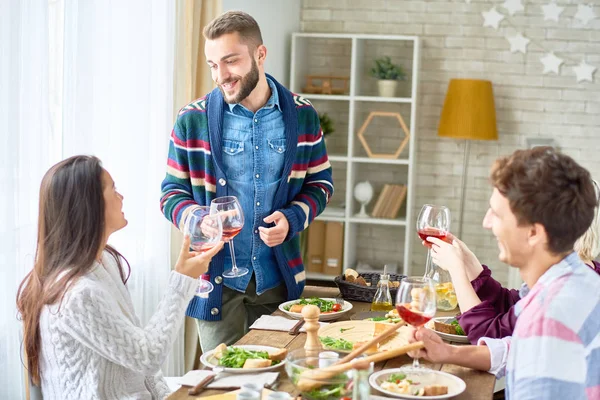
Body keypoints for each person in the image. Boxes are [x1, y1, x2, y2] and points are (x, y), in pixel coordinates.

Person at [159, 11, 334, 352]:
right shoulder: (192, 119)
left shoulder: (302, 115)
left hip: (278, 283)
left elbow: (321, 184)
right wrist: (197, 218)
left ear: (260, 54)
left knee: (275, 380)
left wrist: (293, 217)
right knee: (224, 384)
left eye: (230, 61)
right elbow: (170, 194)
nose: (221, 75)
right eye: (212, 64)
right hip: (216, 286)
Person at [16, 155, 223, 400]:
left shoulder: (105, 261)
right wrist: (181, 282)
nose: (121, 196)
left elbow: (139, 362)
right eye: (112, 189)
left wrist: (165, 396)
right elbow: (146, 357)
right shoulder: (77, 294)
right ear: (88, 205)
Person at [409, 147, 600, 399]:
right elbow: (515, 347)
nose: (486, 222)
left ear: (534, 232)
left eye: (497, 214)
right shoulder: (571, 283)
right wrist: (449, 353)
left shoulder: (548, 319)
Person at [425, 181, 600, 344]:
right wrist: (469, 264)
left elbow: (490, 336)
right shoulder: (575, 272)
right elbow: (514, 307)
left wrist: (457, 271)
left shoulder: (567, 290)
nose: (487, 223)